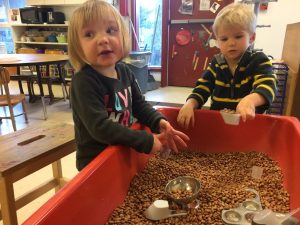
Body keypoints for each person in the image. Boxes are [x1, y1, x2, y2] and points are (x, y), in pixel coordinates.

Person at [68, 0, 189, 171]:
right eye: (89, 34)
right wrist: (145, 141)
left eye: (111, 30)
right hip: (95, 163)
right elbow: (100, 128)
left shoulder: (124, 71)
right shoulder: (84, 82)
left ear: (123, 36)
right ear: (77, 46)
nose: (103, 39)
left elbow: (139, 105)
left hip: (121, 149)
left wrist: (158, 121)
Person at [177, 3, 277, 129]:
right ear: (217, 41)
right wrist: (190, 104)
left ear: (252, 37)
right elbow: (203, 87)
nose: (231, 43)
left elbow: (268, 86)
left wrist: (251, 100)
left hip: (248, 125)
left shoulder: (258, 60)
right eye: (224, 39)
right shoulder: (216, 63)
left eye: (238, 36)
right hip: (219, 125)